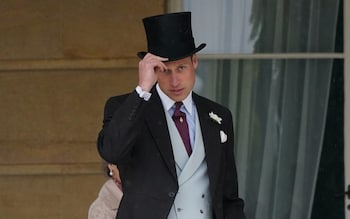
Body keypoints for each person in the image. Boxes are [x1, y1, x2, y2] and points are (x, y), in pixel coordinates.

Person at [97, 11, 245, 219]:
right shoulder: (125, 107)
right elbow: (111, 151)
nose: (175, 81)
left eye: (181, 68)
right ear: (153, 70)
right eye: (165, 70)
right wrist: (142, 89)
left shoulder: (219, 116)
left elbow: (229, 197)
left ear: (195, 62)